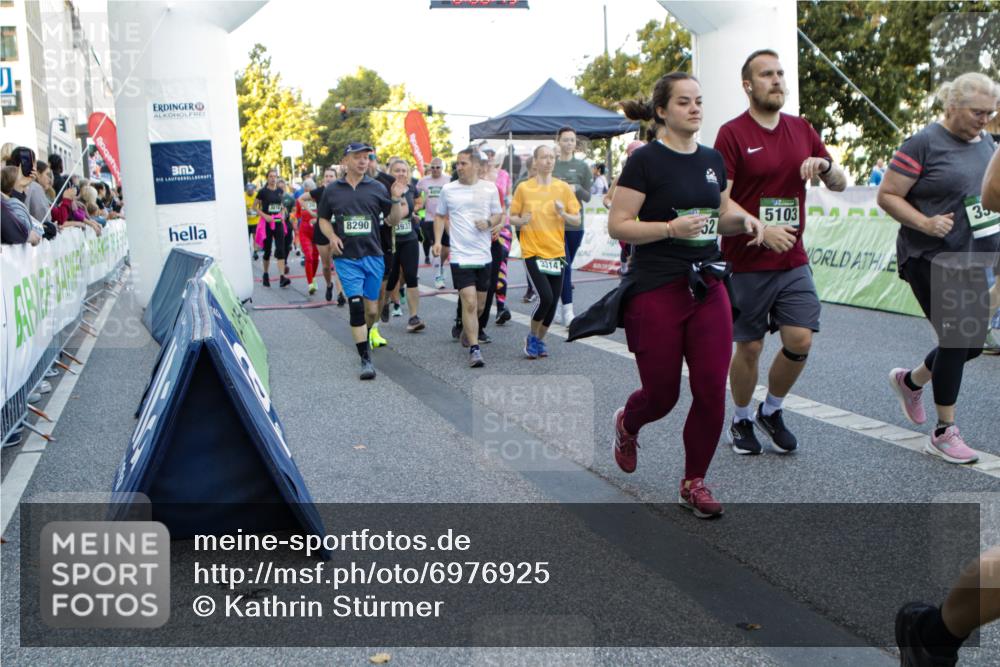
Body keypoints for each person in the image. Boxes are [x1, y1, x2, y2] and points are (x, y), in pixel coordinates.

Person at [605, 72, 764, 519]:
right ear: (661, 111)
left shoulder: (712, 160)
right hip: (656, 287)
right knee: (662, 396)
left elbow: (722, 213)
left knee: (712, 390)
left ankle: (694, 481)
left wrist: (746, 221)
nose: (695, 109)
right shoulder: (645, 162)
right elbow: (619, 225)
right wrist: (669, 229)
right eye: (683, 102)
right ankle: (627, 422)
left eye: (698, 101)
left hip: (708, 285)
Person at [713, 48, 847, 456]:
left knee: (800, 338)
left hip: (792, 258)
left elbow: (840, 182)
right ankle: (740, 419)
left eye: (780, 73)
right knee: (749, 347)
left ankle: (771, 410)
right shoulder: (732, 133)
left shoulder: (802, 128)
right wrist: (759, 228)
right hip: (746, 259)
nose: (776, 80)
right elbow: (722, 203)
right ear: (748, 85)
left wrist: (824, 168)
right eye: (766, 74)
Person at [879, 72, 999, 463]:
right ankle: (945, 432)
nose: (984, 119)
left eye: (990, 112)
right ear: (951, 106)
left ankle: (911, 381)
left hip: (972, 257)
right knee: (954, 337)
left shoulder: (988, 145)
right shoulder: (924, 143)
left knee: (970, 347)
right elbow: (888, 194)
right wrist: (925, 223)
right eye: (977, 112)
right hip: (929, 256)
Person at [316, 143, 406, 380]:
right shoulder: (333, 189)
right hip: (346, 258)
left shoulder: (377, 187)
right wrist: (332, 236)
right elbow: (323, 219)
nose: (363, 161)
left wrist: (396, 199)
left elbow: (393, 220)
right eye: (357, 157)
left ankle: (365, 333)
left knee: (371, 309)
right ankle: (365, 359)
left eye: (367, 157)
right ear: (345, 161)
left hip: (373, 255)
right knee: (355, 305)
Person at [433, 148, 503, 368]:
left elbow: (498, 214)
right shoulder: (448, 189)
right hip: (460, 254)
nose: (458, 167)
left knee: (480, 305)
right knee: (469, 301)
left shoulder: (489, 188)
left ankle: (468, 329)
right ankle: (475, 349)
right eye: (457, 163)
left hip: (483, 254)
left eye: (463, 163)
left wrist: (489, 223)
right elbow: (439, 215)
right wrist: (437, 241)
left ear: (475, 165)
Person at [509, 145, 581, 358]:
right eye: (544, 157)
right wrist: (521, 221)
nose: (549, 161)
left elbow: (576, 219)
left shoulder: (563, 188)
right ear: (535, 161)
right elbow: (512, 216)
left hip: (556, 251)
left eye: (552, 157)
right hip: (533, 250)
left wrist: (563, 214)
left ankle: (539, 340)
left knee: (554, 300)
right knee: (546, 298)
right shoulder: (524, 188)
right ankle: (532, 336)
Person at [552, 126, 593, 325]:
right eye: (565, 139)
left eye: (572, 140)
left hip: (575, 223)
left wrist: (576, 188)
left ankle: (561, 306)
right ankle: (568, 310)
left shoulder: (583, 167)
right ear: (558, 141)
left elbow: (588, 196)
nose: (569, 143)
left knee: (565, 266)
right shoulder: (552, 165)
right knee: (564, 266)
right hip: (553, 224)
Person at [384, 158, 425, 332]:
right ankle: (384, 302)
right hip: (390, 240)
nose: (401, 173)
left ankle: (414, 318)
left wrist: (413, 214)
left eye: (404, 171)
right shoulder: (384, 191)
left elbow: (413, 205)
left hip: (408, 238)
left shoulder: (410, 189)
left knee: (411, 276)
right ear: (390, 173)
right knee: (391, 277)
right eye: (397, 170)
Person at [309, 166, 347, 304]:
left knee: (338, 263)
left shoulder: (341, 191)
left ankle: (340, 293)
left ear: (336, 178)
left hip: (337, 230)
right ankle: (329, 285)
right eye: (327, 176)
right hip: (322, 231)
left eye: (331, 176)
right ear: (323, 178)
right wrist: (314, 214)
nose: (329, 178)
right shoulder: (319, 192)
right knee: (326, 265)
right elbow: (301, 199)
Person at [417, 157, 451, 288]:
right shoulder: (423, 181)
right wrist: (416, 208)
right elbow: (417, 197)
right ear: (430, 168)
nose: (435, 170)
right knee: (435, 246)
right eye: (433, 167)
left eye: (438, 167)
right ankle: (437, 275)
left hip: (446, 219)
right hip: (430, 218)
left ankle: (440, 266)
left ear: (442, 168)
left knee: (446, 249)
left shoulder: (448, 180)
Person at [254, 169, 291, 288]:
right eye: (271, 176)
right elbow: (255, 207)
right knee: (268, 250)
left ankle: (282, 277)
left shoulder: (280, 191)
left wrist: (283, 213)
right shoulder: (262, 192)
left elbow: (281, 205)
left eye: (275, 176)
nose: (273, 178)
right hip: (267, 224)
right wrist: (265, 216)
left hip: (278, 223)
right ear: (267, 178)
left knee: (280, 249)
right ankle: (265, 274)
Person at [295, 178, 321, 294]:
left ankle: (313, 277)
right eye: (305, 190)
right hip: (304, 231)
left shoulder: (318, 199)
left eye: (309, 190)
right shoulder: (300, 200)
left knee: (315, 258)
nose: (307, 192)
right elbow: (297, 215)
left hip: (317, 231)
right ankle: (310, 283)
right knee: (309, 257)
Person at [245, 183, 259, 260]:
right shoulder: (243, 196)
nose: (250, 192)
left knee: (255, 237)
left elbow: (261, 206)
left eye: (252, 190)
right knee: (246, 238)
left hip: (255, 220)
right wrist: (246, 211)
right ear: (246, 190)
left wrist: (258, 212)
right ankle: (247, 251)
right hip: (246, 222)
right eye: (248, 191)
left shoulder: (257, 195)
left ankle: (255, 252)